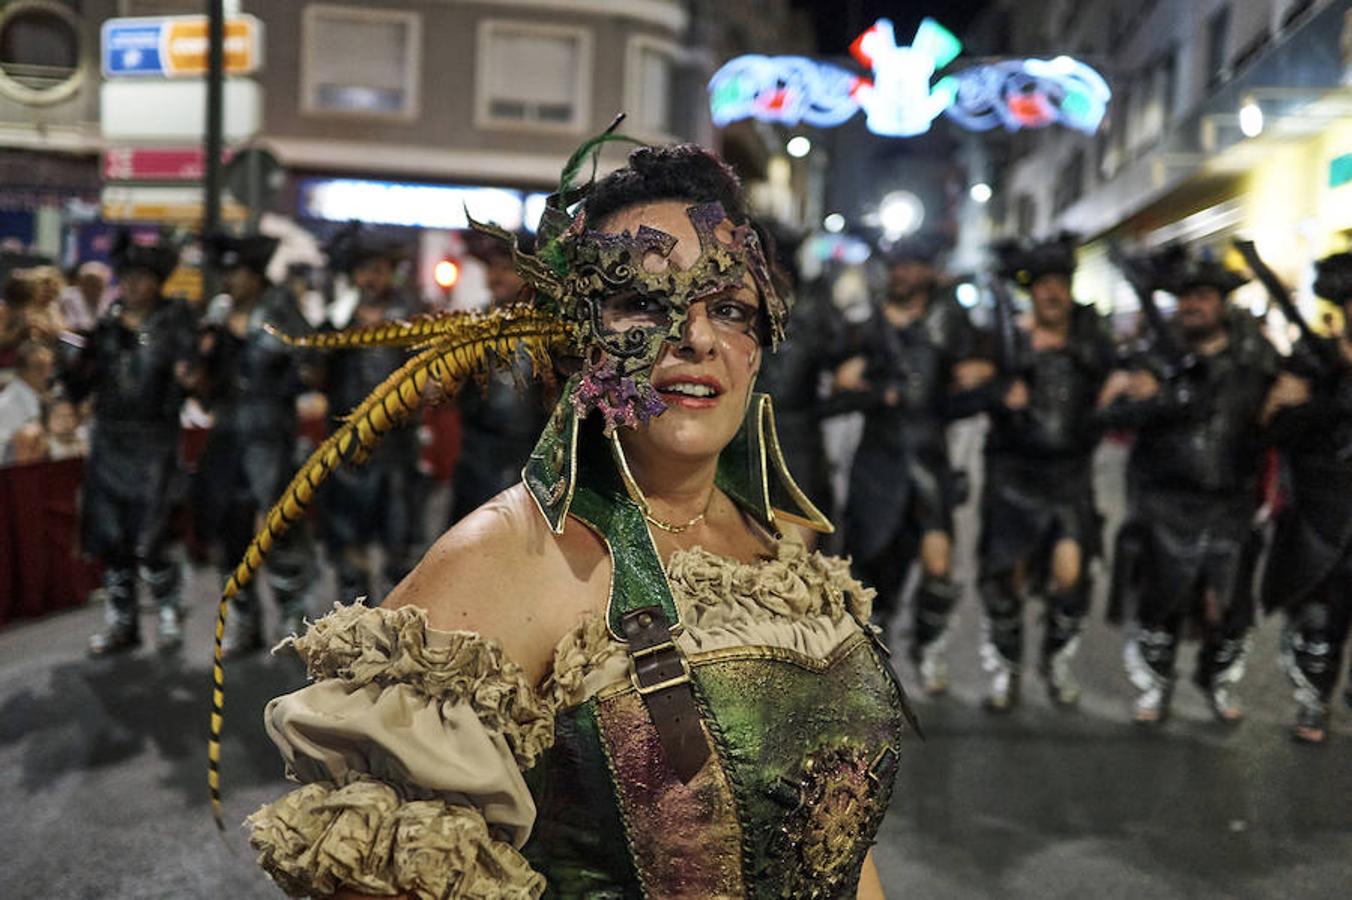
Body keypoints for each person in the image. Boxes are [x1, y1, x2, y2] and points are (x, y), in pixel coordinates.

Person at [242, 141, 912, 898]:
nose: (696, 338)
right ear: (578, 337)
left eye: (729, 309)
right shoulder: (507, 557)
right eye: (644, 300)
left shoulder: (780, 541)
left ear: (759, 348)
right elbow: (375, 875)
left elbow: (843, 851)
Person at [1100, 247, 1283, 724]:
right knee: (1161, 603)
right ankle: (1154, 688)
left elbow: (1279, 426)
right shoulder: (1153, 358)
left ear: (1222, 302)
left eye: (1202, 296)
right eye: (1184, 297)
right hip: (1162, 503)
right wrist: (1148, 397)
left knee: (1225, 607)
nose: (1192, 305)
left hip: (1230, 502)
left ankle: (1215, 680)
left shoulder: (1256, 359)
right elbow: (1109, 420)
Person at [834, 236, 988, 694]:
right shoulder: (865, 323)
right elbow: (836, 372)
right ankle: (871, 650)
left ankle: (928, 648)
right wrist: (851, 376)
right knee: (874, 566)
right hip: (877, 461)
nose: (900, 273)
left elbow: (978, 365)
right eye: (895, 265)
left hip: (929, 459)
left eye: (910, 265)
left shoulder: (950, 322)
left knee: (938, 564)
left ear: (927, 272)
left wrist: (981, 372)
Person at [975, 235, 1116, 710]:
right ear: (1030, 291)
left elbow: (1125, 373)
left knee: (1070, 577)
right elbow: (967, 383)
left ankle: (1055, 663)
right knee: (1007, 579)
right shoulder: (1005, 334)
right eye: (1043, 285)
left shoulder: (1092, 339)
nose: (1053, 293)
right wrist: (998, 390)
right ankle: (1007, 669)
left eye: (1061, 284)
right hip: (1013, 475)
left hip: (1069, 477)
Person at [66, 230, 195, 655]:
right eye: (128, 276)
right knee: (111, 537)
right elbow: (79, 387)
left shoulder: (176, 324)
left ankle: (169, 613)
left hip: (154, 442)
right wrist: (72, 361)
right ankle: (122, 623)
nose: (134, 285)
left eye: (142, 277)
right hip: (109, 441)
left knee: (151, 538)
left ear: (158, 281)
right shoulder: (106, 326)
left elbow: (192, 380)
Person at [195, 233, 319, 655]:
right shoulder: (219, 314)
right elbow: (204, 380)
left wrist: (287, 386)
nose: (229, 279)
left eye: (236, 272)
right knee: (231, 532)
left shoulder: (280, 309)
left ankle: (292, 617)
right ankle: (244, 621)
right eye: (226, 272)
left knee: (279, 529)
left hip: (270, 437)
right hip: (227, 435)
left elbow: (312, 360)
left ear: (254, 274)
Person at [1262, 250, 1352, 743]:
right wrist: (1319, 402)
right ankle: (1313, 701)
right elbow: (1274, 431)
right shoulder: (1311, 363)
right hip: (1323, 513)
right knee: (1322, 620)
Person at [320, 224, 425, 602]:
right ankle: (352, 620)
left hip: (396, 447)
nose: (370, 278)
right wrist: (335, 324)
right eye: (364, 270)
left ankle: (398, 625)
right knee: (348, 539)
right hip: (348, 448)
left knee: (399, 544)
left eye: (378, 269)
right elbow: (316, 371)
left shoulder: (410, 315)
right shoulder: (339, 317)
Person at [446, 230, 550, 525]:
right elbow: (444, 390)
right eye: (492, 267)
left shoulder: (550, 328)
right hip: (478, 450)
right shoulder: (474, 324)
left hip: (529, 454)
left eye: (507, 268)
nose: (496, 276)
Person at [0, 340, 53, 462]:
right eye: (40, 367)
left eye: (50, 366)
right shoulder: (5, 405)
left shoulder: (47, 396)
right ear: (22, 370)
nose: (48, 374)